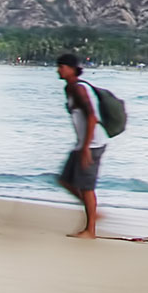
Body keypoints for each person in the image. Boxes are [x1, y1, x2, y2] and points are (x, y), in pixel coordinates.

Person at [55, 53, 107, 239]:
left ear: (71, 69)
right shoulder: (69, 88)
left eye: (61, 67)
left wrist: (86, 147)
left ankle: (90, 230)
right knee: (65, 180)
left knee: (86, 187)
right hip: (83, 143)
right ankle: (94, 213)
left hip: (93, 143)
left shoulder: (79, 89)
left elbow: (92, 117)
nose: (58, 70)